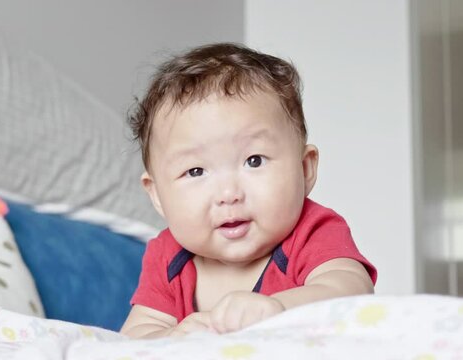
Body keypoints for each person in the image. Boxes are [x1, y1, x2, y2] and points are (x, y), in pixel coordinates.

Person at [120, 43, 377, 338]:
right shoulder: (168, 256)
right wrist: (173, 337)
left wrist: (278, 308)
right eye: (195, 171)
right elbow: (134, 337)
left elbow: (350, 291)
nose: (228, 194)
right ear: (156, 195)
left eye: (254, 161)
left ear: (305, 169)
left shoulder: (311, 231)